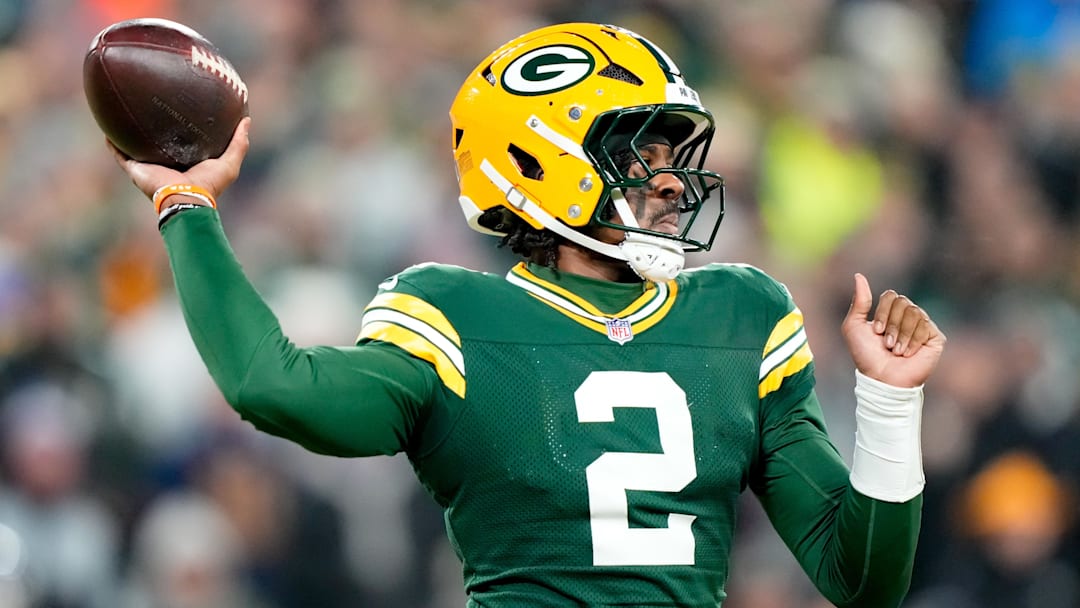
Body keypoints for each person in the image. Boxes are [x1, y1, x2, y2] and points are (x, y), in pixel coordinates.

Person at [110, 22, 945, 608]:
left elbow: (861, 581)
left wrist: (890, 402)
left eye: (671, 158)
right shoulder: (454, 311)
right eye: (637, 155)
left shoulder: (744, 313)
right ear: (538, 156)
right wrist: (188, 204)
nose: (669, 182)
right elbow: (274, 387)